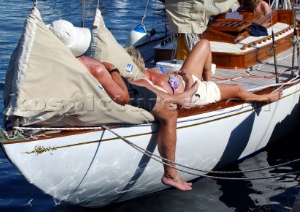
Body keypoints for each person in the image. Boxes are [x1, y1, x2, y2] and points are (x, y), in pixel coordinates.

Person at [49, 19, 199, 191]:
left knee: (146, 87)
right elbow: (122, 97)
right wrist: (113, 71)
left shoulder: (56, 64)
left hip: (102, 92)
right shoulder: (93, 66)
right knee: (169, 113)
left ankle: (182, 97)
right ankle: (170, 174)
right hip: (123, 91)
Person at [126, 39, 282, 105]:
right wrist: (188, 83)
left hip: (186, 78)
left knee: (204, 44)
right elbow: (182, 102)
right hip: (195, 92)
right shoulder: (144, 84)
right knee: (237, 89)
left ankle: (210, 81)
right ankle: (264, 98)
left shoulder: (145, 71)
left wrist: (185, 77)